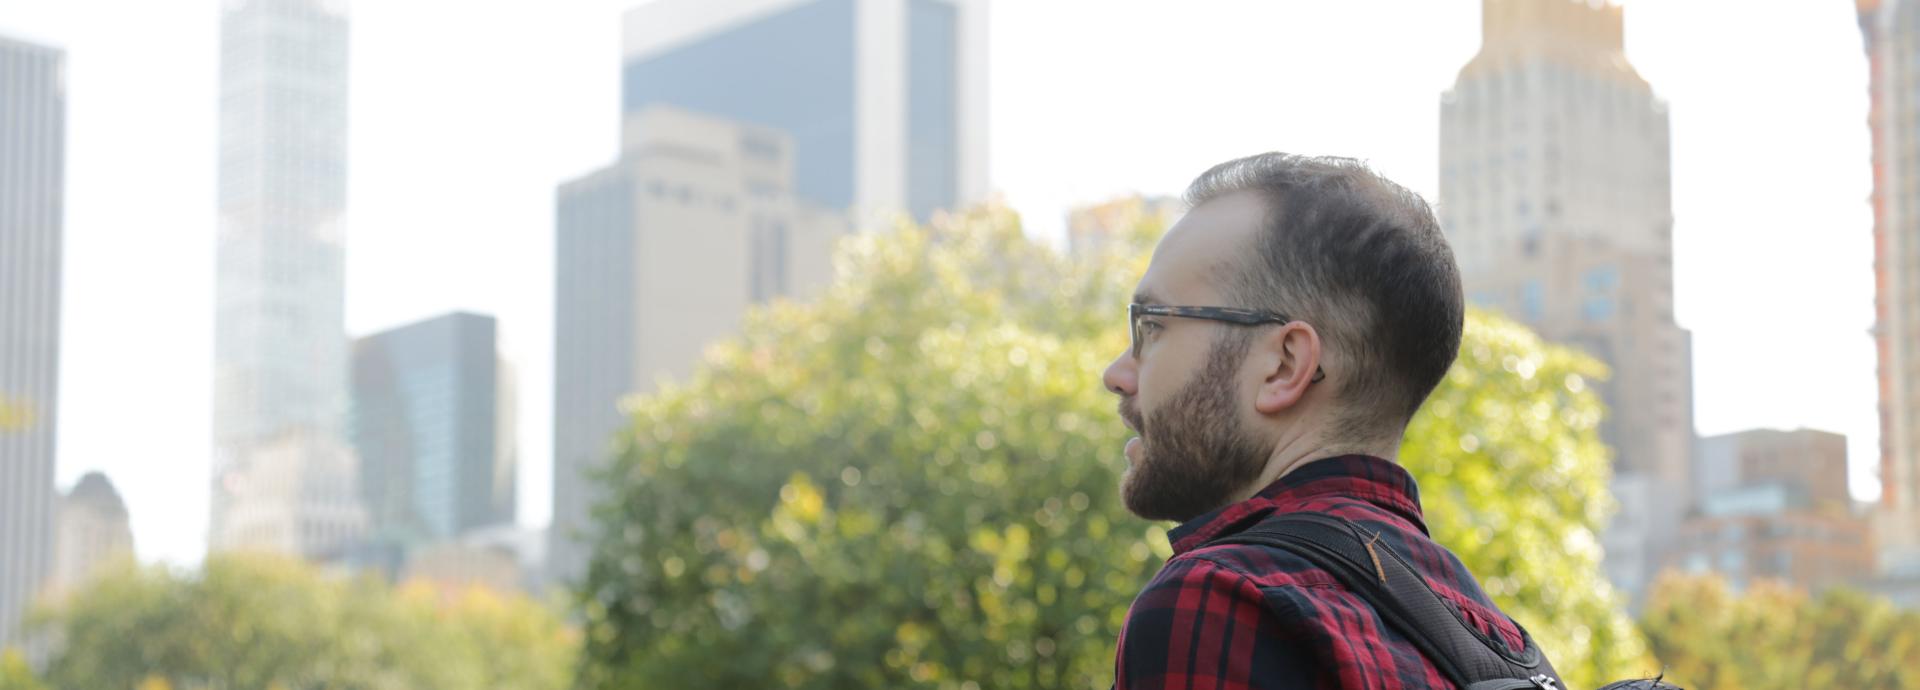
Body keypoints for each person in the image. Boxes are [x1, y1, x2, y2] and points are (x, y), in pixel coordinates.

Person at [1103, 152, 1549, 688]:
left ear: (1284, 365)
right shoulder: (1499, 640)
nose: (1117, 374)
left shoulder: (1223, 599)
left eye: (1153, 327)